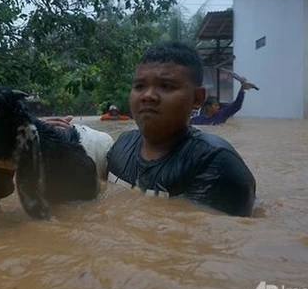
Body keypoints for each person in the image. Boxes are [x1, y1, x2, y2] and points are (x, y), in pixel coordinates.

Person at [43, 40, 256, 217]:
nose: (148, 95)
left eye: (166, 86)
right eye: (139, 86)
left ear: (197, 98)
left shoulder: (215, 163)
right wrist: (44, 142)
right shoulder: (121, 146)